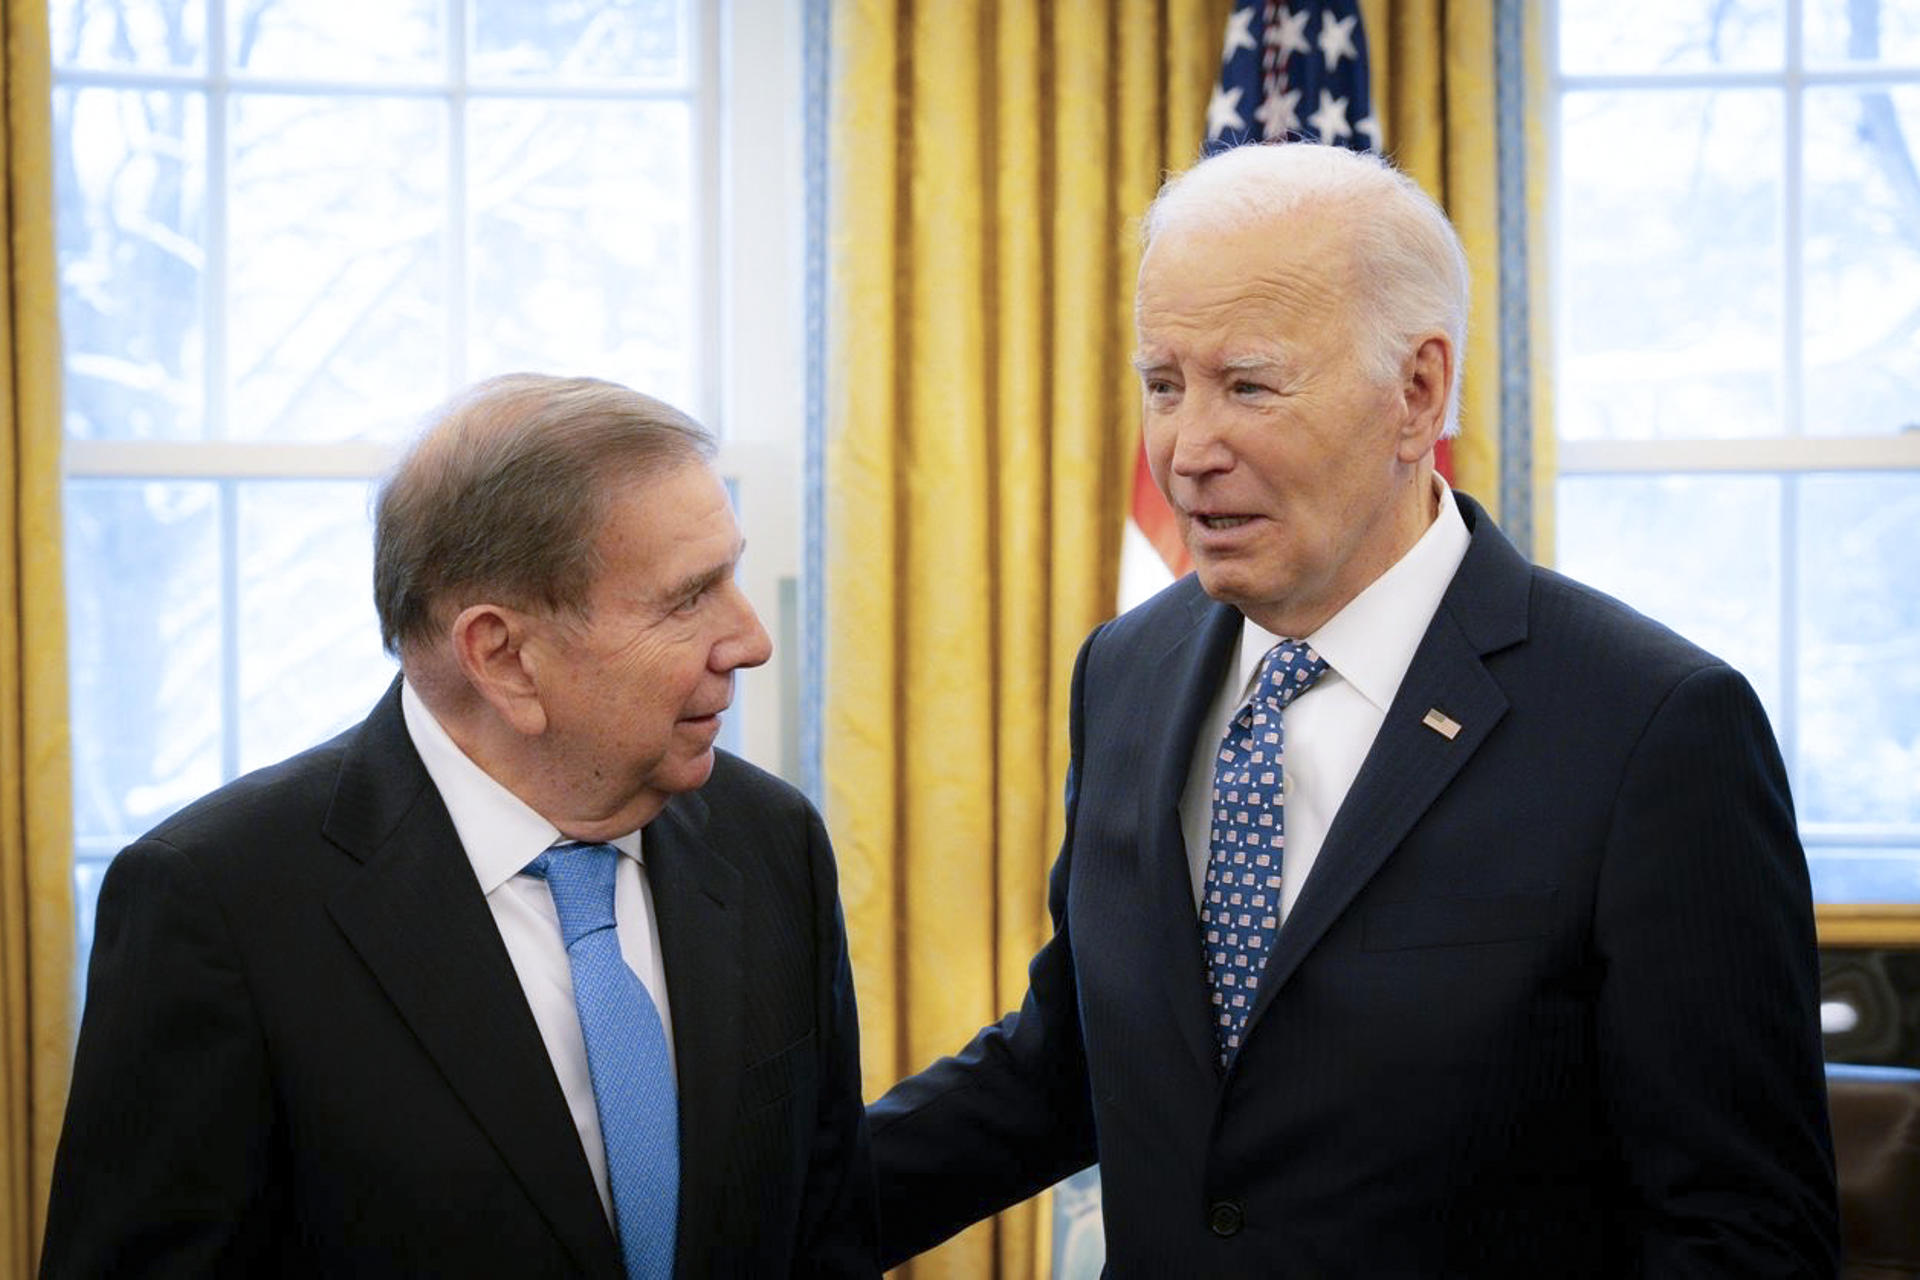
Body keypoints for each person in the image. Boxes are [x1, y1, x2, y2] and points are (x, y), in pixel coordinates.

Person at [868, 143, 1839, 1277]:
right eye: (1163, 383)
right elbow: (1069, 1063)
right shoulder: (1126, 670)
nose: (1187, 450)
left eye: (1248, 384)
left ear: (1415, 391)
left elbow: (1744, 1233)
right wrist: (739, 1212)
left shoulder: (1654, 728)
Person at [43, 374, 877, 1278]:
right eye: (688, 599)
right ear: (503, 655)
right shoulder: (218, 903)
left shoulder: (770, 841)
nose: (751, 638)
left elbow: (819, 1229)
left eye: (733, 574)